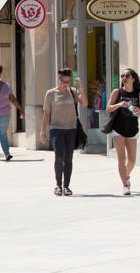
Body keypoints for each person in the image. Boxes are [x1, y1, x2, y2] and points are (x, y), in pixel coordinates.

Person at [40, 68, 87, 196]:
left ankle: (66, 186)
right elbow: (46, 113)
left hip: (71, 128)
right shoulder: (50, 93)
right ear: (58, 79)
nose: (65, 84)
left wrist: (81, 87)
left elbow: (85, 103)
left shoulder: (73, 91)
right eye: (63, 81)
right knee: (59, 156)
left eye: (68, 81)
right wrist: (42, 131)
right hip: (56, 128)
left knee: (69, 158)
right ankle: (58, 185)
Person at [106, 67, 140, 195]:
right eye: (122, 75)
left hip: (132, 128)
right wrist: (119, 105)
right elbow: (108, 109)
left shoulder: (138, 94)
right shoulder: (117, 92)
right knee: (121, 159)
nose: (124, 78)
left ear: (133, 78)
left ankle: (125, 176)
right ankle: (125, 185)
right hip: (118, 128)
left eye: (127, 75)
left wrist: (139, 111)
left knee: (132, 160)